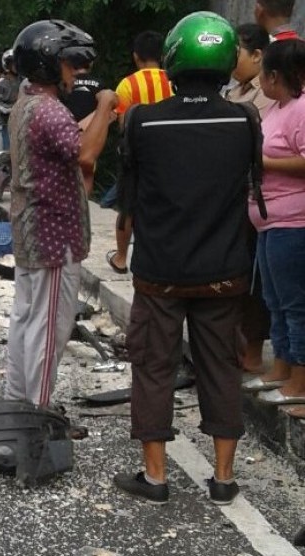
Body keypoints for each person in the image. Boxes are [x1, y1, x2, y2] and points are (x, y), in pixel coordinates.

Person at [112, 12, 255, 506]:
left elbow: (128, 196)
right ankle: (223, 478)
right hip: (224, 272)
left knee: (153, 367)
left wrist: (121, 248)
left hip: (160, 274)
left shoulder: (143, 121)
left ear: (174, 59)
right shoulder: (244, 119)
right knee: (222, 367)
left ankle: (155, 479)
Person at [5, 20, 117, 407]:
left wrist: (96, 121)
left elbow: (71, 142)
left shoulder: (28, 104)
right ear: (49, 63)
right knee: (49, 328)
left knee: (26, 320)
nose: (77, 73)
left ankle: (18, 403)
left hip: (32, 231)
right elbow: (86, 155)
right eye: (71, 65)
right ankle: (37, 412)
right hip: (54, 236)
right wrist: (104, 106)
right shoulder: (50, 111)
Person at [249, 39, 305, 404]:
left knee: (295, 303)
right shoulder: (276, 108)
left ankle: (299, 381)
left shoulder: (301, 109)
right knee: (274, 300)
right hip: (269, 223)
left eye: (263, 74)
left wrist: (262, 164)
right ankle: (282, 366)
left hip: (293, 221)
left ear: (274, 75)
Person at [226, 23, 273, 379]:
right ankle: (238, 344)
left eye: (236, 53)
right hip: (229, 197)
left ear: (257, 55)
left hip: (259, 199)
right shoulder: (232, 90)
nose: (229, 61)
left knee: (255, 281)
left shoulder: (268, 94)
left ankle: (254, 351)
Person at [107, 30, 173, 275]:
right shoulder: (174, 80)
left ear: (136, 57)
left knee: (128, 206)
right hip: (169, 155)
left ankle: (122, 258)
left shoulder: (127, 84)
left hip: (135, 155)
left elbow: (123, 122)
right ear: (164, 55)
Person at [0, 49, 18, 151]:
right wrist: (11, 109)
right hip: (7, 121)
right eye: (13, 63)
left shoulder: (24, 80)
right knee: (8, 150)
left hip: (22, 120)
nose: (16, 66)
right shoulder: (1, 82)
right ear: (7, 65)